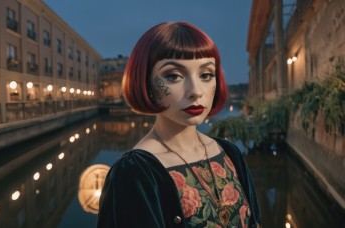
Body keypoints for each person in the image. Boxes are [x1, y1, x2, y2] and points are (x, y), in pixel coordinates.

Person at [97, 22, 261, 228]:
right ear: (145, 82)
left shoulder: (229, 152)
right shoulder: (135, 172)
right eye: (174, 76)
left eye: (205, 75)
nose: (195, 91)